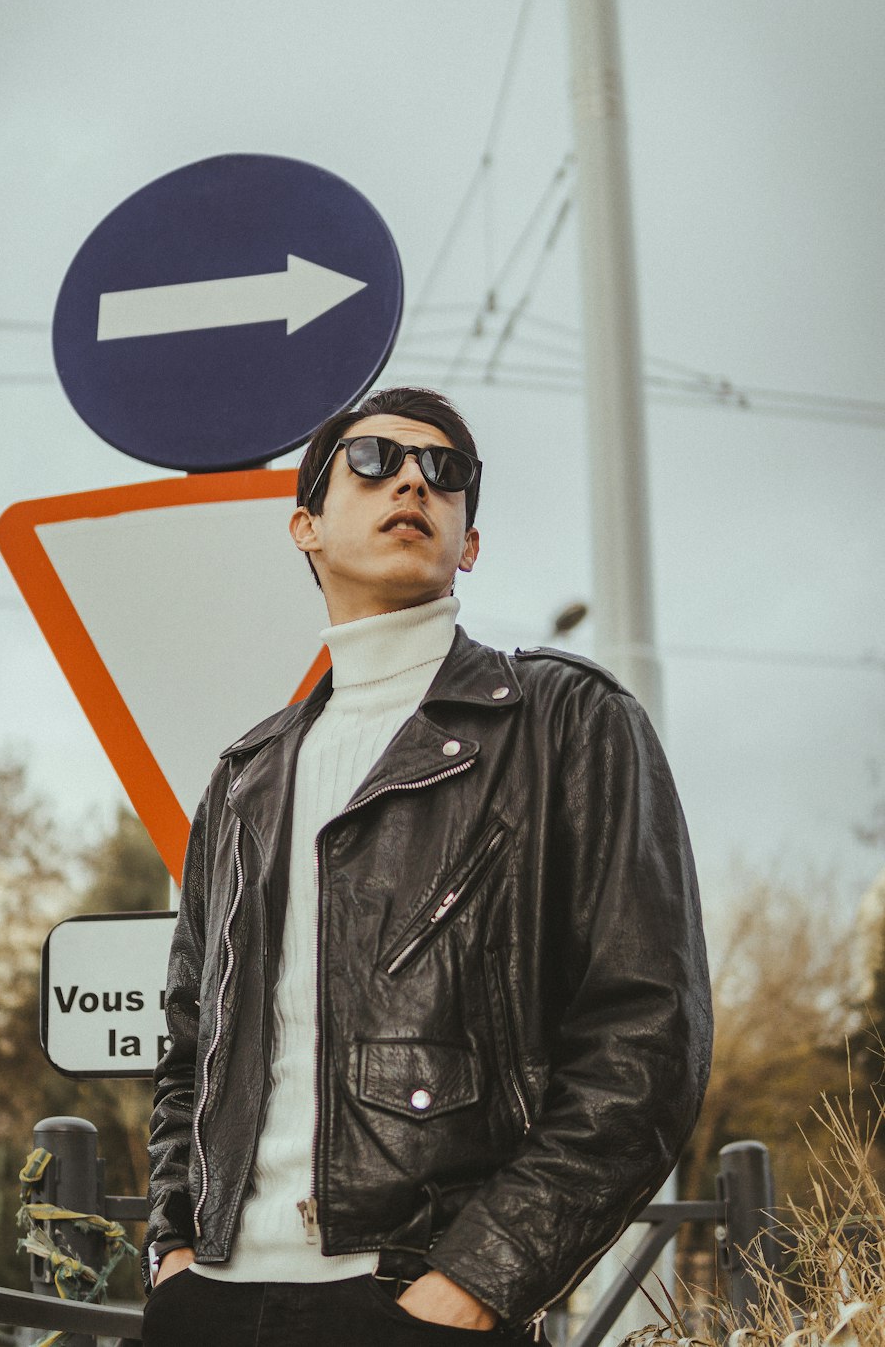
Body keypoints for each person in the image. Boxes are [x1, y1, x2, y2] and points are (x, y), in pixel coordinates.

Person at [141, 385, 712, 1345]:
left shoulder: (567, 722)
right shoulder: (245, 777)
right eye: (374, 461)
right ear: (305, 526)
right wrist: (174, 1251)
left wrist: (478, 1282)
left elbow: (646, 1039)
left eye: (447, 473)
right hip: (213, 1304)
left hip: (414, 1299)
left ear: (469, 545)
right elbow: (191, 1045)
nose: (414, 477)